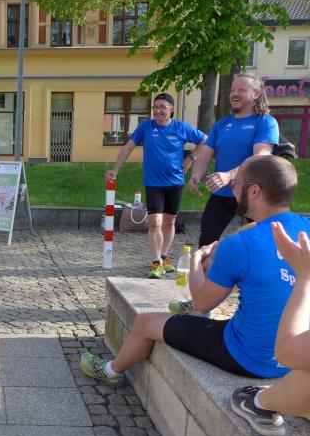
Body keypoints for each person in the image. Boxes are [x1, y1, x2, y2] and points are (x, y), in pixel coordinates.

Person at [80, 155, 309, 387]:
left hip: (249, 358)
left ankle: (110, 371)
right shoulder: (304, 228)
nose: (231, 189)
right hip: (297, 355)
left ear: (254, 191)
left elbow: (202, 304)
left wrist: (196, 261)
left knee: (145, 322)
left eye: (235, 183)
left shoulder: (239, 245)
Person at [105, 93, 206, 279]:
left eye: (162, 107)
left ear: (171, 109)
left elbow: (205, 140)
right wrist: (115, 169)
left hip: (176, 182)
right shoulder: (146, 127)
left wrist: (190, 159)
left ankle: (164, 256)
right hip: (154, 183)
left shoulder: (182, 128)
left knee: (169, 222)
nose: (158, 110)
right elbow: (128, 148)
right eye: (155, 107)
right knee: (154, 223)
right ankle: (156, 261)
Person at [230, 222, 310, 436]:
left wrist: (306, 276)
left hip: (250, 357)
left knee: (148, 322)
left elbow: (287, 354)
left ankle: (258, 402)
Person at [189, 74, 279, 247]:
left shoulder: (265, 122)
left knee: (260, 243)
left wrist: (229, 175)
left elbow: (260, 157)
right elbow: (206, 154)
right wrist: (196, 174)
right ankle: (209, 266)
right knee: (206, 241)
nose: (234, 94)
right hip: (223, 193)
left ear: (256, 93)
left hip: (254, 194)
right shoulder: (221, 125)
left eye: (241, 90)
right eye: (232, 90)